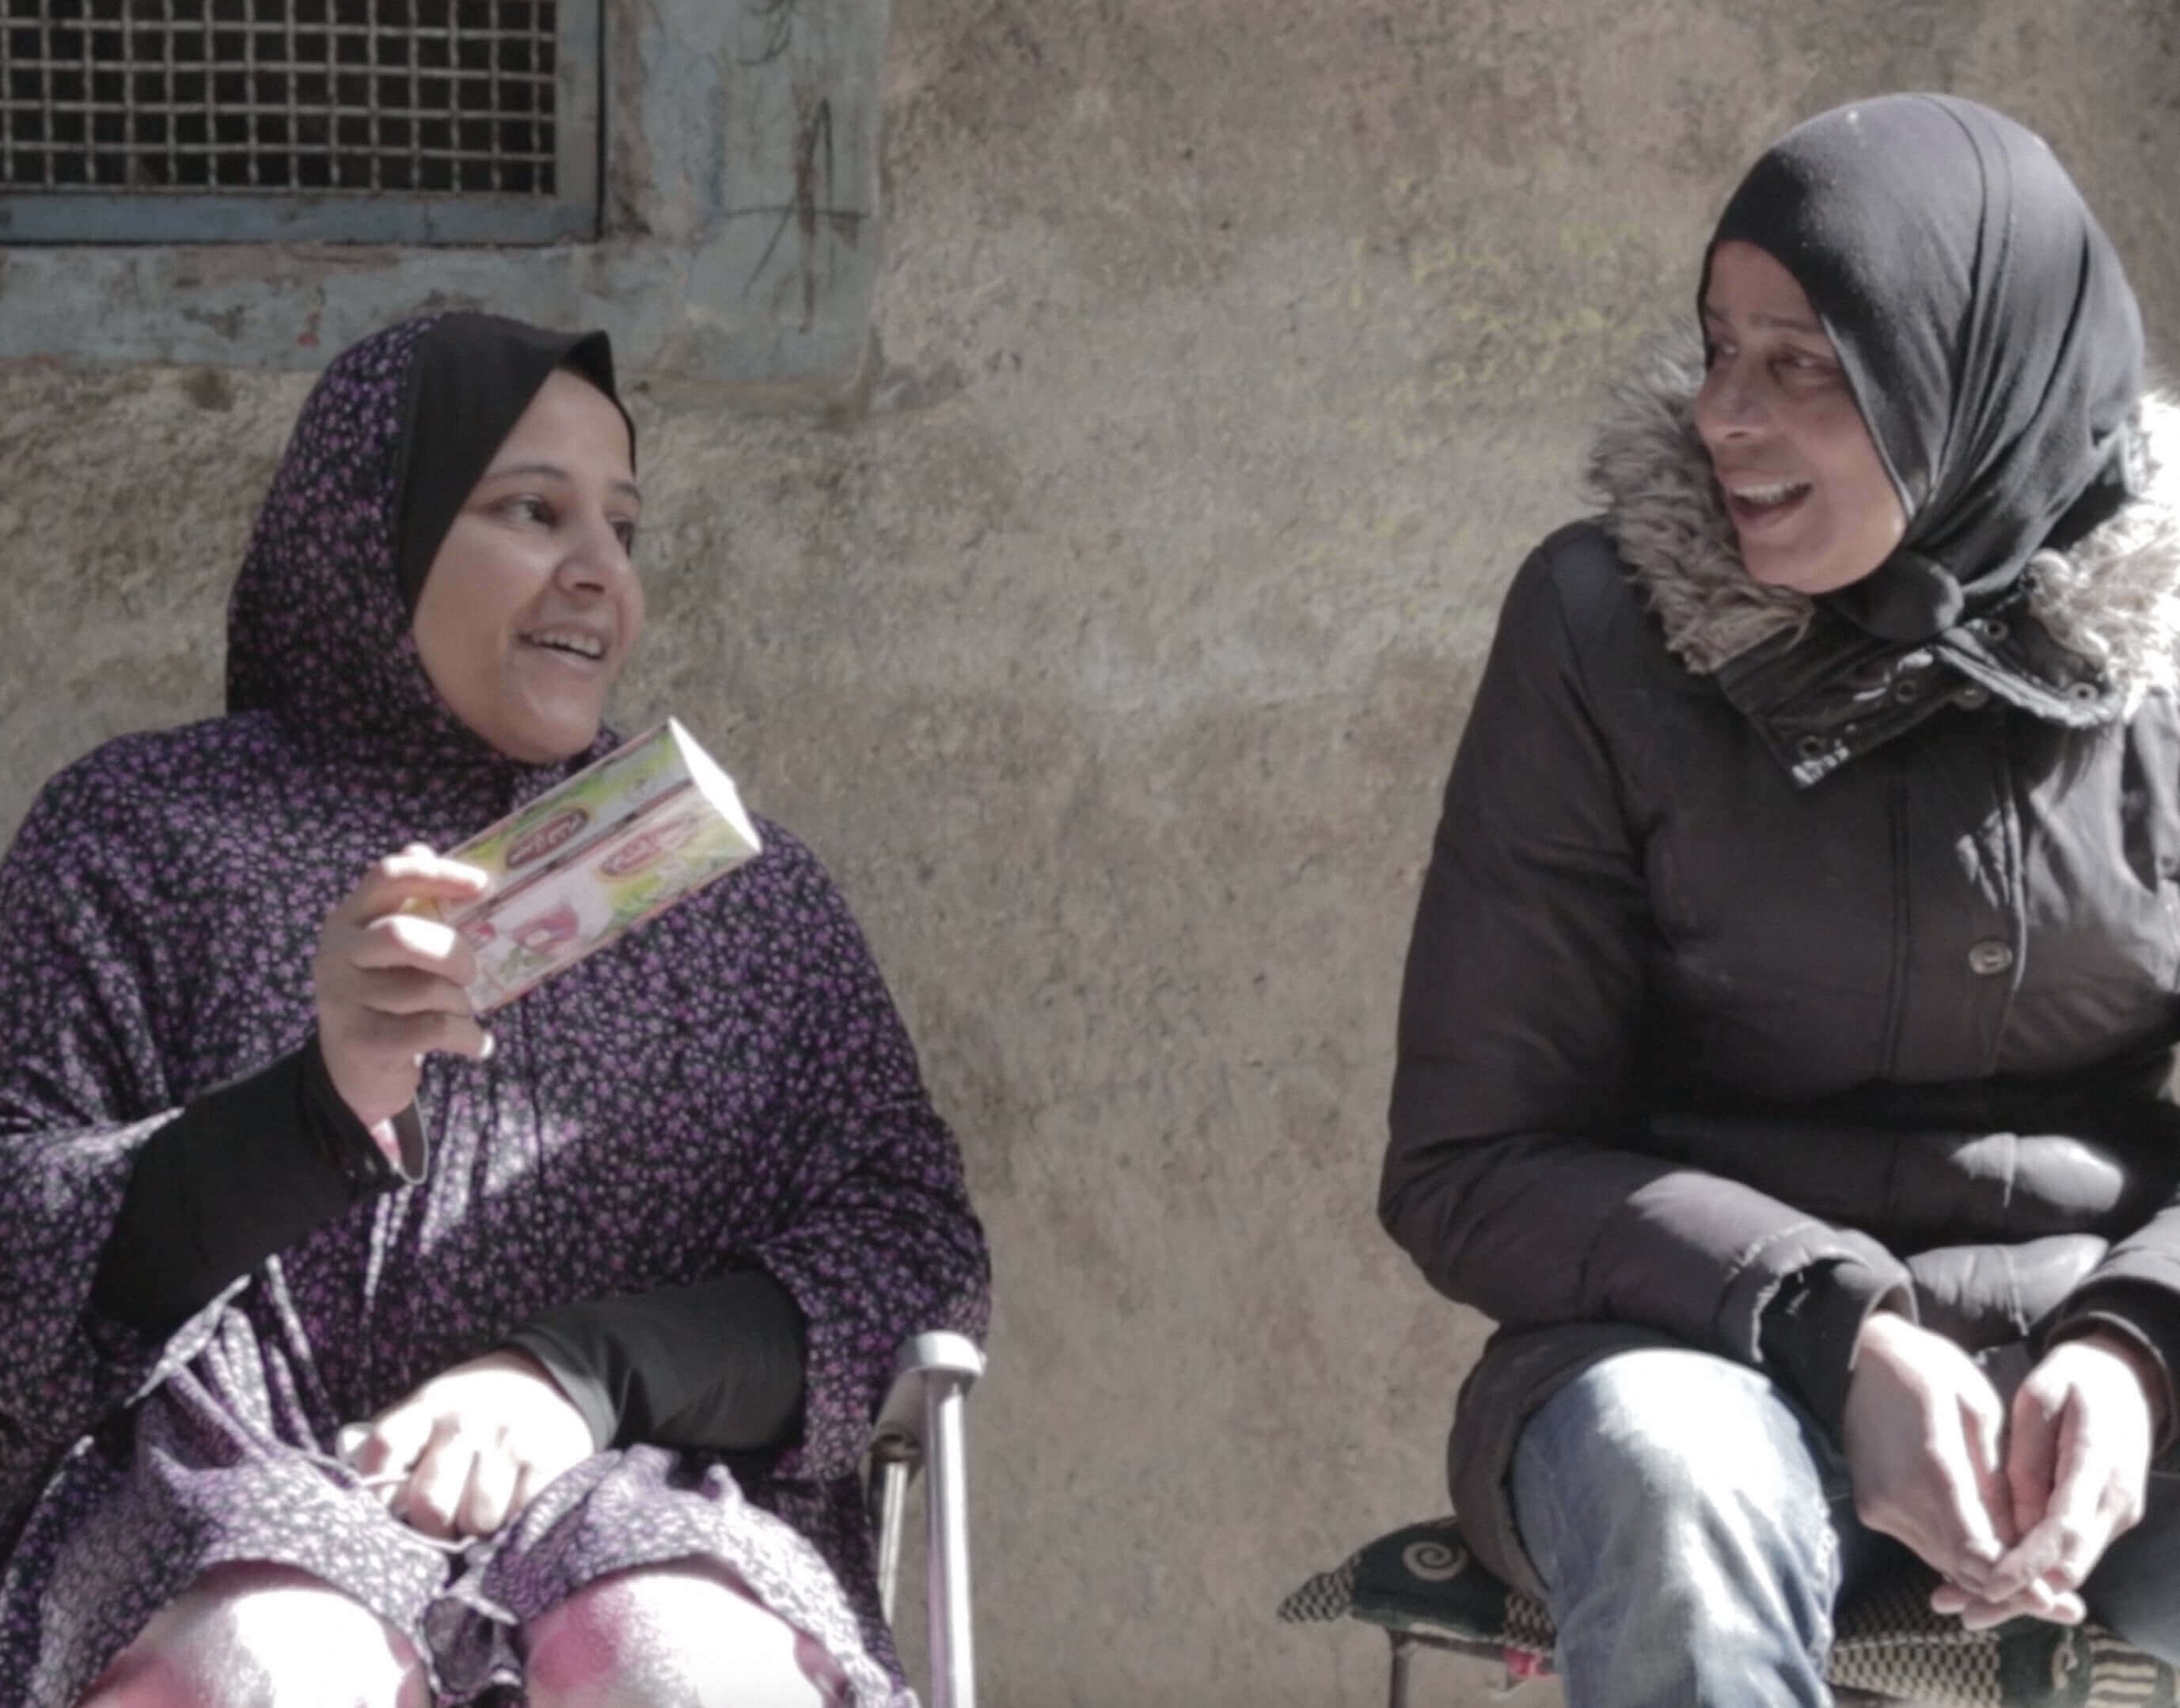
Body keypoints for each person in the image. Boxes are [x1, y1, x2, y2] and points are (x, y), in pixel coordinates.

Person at [0, 313, 989, 1707]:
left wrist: (576, 1375)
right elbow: (18, 1241)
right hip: (220, 1502)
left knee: (676, 1664)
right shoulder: (146, 835)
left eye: (624, 527)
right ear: (369, 533)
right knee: (272, 1662)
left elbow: (910, 1258)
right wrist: (315, 1101)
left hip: (643, 1505)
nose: (600, 574)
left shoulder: (733, 897)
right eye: (532, 510)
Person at [1380, 94, 2180, 1706]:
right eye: (1717, 348)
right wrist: (1832, 1323)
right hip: (1692, 1357)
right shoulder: (1601, 632)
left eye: (1802, 364)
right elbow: (1471, 1160)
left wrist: (2138, 1347)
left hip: (2109, 1361)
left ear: (1974, 377)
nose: (1725, 418)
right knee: (1684, 1502)